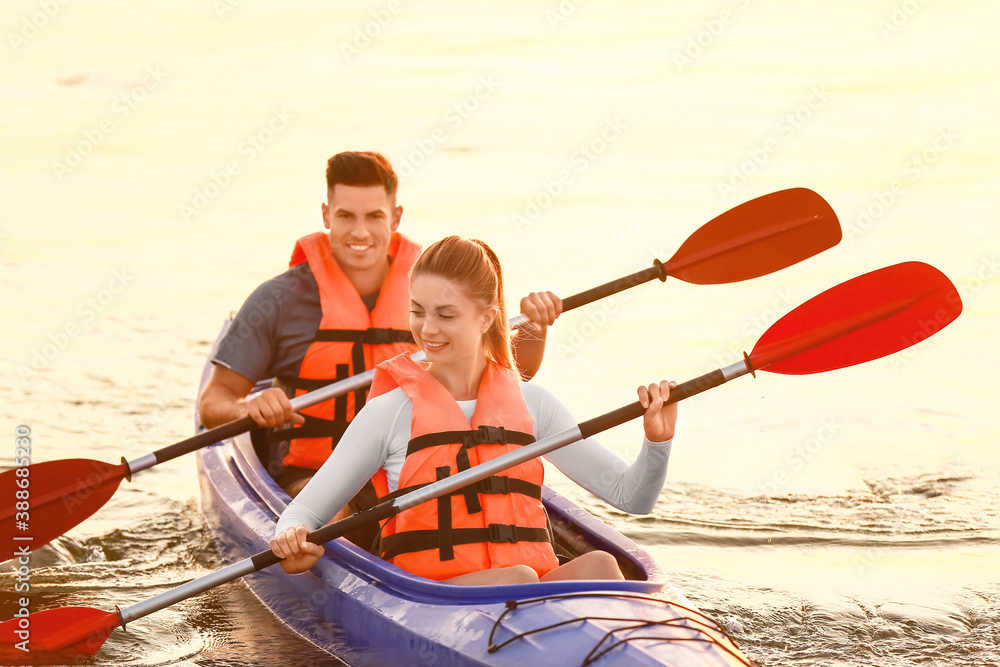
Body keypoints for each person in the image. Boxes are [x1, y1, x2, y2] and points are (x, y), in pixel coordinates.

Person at [270, 236, 678, 585]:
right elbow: (302, 513)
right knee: (517, 576)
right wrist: (292, 539)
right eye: (417, 311)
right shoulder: (389, 413)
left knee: (601, 566)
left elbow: (633, 498)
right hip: (432, 599)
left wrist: (657, 441)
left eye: (446, 314)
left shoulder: (534, 405)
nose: (427, 329)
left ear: (487, 318)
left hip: (531, 595)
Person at [198, 152, 561, 498]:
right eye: (345, 216)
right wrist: (249, 408)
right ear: (326, 215)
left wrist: (536, 325)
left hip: (413, 468)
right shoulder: (276, 300)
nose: (360, 232)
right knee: (330, 508)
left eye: (374, 216)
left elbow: (511, 375)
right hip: (314, 475)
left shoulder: (433, 289)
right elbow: (214, 403)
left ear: (396, 217)